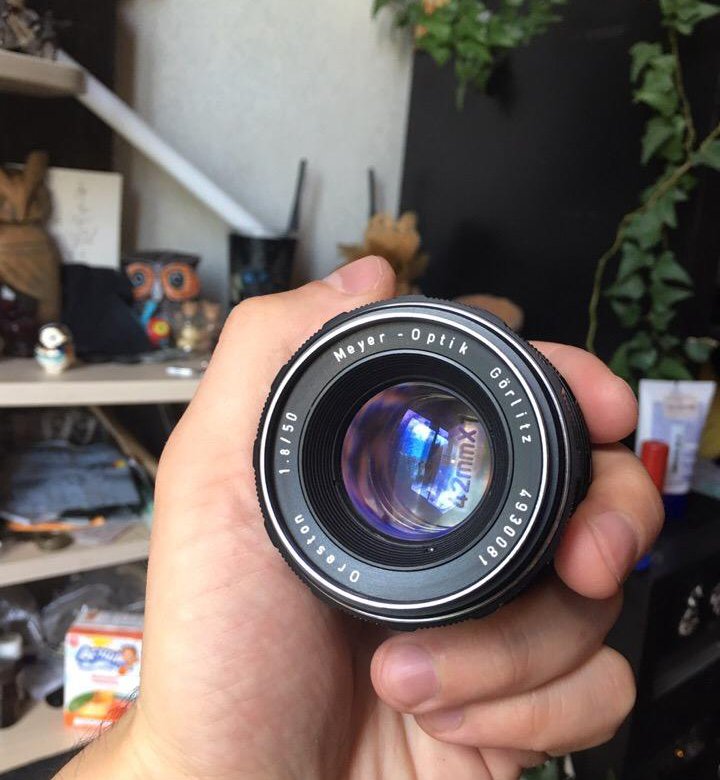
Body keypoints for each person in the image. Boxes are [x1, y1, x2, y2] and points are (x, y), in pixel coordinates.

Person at [56, 256, 662, 780]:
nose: (434, 455)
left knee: (578, 520)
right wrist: (177, 763)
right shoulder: (255, 503)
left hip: (411, 718)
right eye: (372, 450)